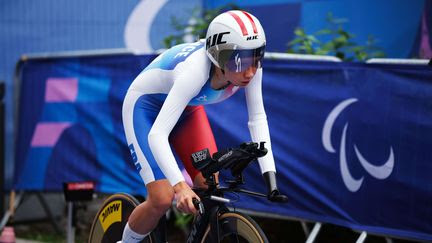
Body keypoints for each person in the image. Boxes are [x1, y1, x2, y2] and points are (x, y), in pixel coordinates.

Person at [121, 10, 286, 243]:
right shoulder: (194, 72)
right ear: (219, 57)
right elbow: (157, 134)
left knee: (209, 185)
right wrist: (179, 187)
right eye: (240, 61)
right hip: (144, 108)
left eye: (256, 58)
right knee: (162, 198)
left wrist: (271, 180)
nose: (250, 71)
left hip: (185, 110)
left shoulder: (251, 68)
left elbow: (257, 118)